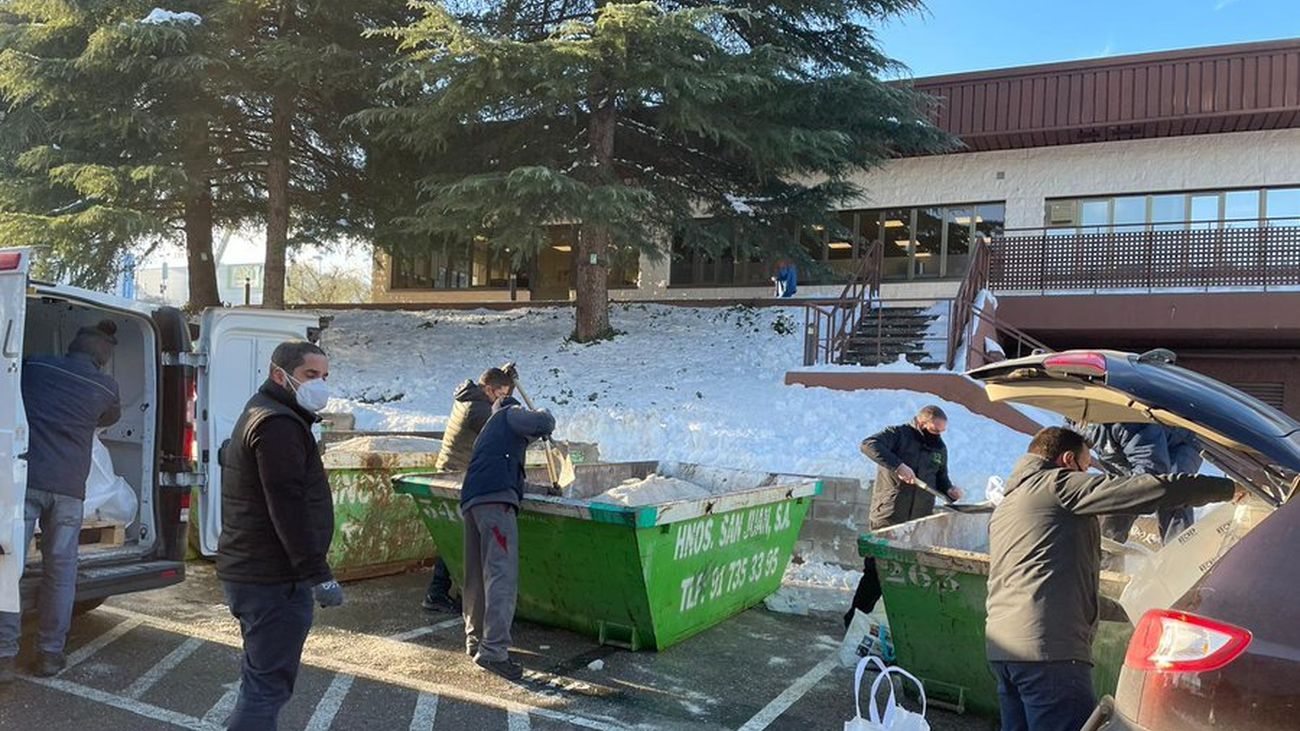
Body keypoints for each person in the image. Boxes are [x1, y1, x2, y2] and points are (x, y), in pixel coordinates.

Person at [986, 427, 1237, 731]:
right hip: (1051, 655)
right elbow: (1144, 490)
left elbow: (1043, 585)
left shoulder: (1009, 506)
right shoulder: (1058, 484)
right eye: (1085, 465)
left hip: (1005, 652)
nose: (1087, 473)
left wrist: (1129, 610)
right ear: (1067, 460)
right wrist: (1227, 490)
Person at [216, 341, 343, 730]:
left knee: (261, 681)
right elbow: (287, 507)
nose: (320, 384)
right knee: (266, 688)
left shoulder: (265, 413)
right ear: (280, 375)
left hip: (256, 572)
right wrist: (317, 574)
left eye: (324, 377)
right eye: (310, 375)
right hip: (272, 579)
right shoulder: (279, 425)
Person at [0, 321, 121, 683]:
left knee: (9, 568)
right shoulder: (105, 386)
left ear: (73, 346)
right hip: (69, 490)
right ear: (103, 357)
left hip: (27, 481)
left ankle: (4, 655)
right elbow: (109, 418)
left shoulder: (36, 366)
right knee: (61, 572)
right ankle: (50, 654)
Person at [459, 393, 555, 681]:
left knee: (476, 575)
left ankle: (475, 640)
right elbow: (544, 420)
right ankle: (494, 651)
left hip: (474, 503)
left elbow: (515, 481)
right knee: (501, 575)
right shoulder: (507, 414)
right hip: (495, 507)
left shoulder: (491, 439)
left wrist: (545, 491)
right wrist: (544, 415)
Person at [844, 405, 963, 628]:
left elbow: (940, 478)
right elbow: (868, 445)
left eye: (942, 431)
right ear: (921, 423)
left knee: (907, 575)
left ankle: (898, 624)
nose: (938, 435)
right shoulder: (898, 435)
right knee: (876, 572)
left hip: (917, 521)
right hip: (889, 515)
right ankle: (854, 621)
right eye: (934, 430)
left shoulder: (939, 448)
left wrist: (950, 490)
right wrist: (898, 466)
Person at [420, 367, 516, 614]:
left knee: (455, 535)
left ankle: (447, 590)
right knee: (456, 536)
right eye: (500, 393)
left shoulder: (472, 397)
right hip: (457, 475)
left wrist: (509, 385)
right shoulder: (478, 410)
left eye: (506, 394)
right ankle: (438, 591)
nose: (502, 399)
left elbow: (498, 409)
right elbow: (502, 427)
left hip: (454, 471)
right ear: (488, 389)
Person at [1078, 422, 1203, 544]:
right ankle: (1105, 556)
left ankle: (1179, 555)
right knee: (1114, 506)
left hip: (1180, 444)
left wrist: (1113, 497)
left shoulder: (1127, 423)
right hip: (1130, 453)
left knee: (1171, 495)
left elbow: (1150, 471)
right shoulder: (1075, 420)